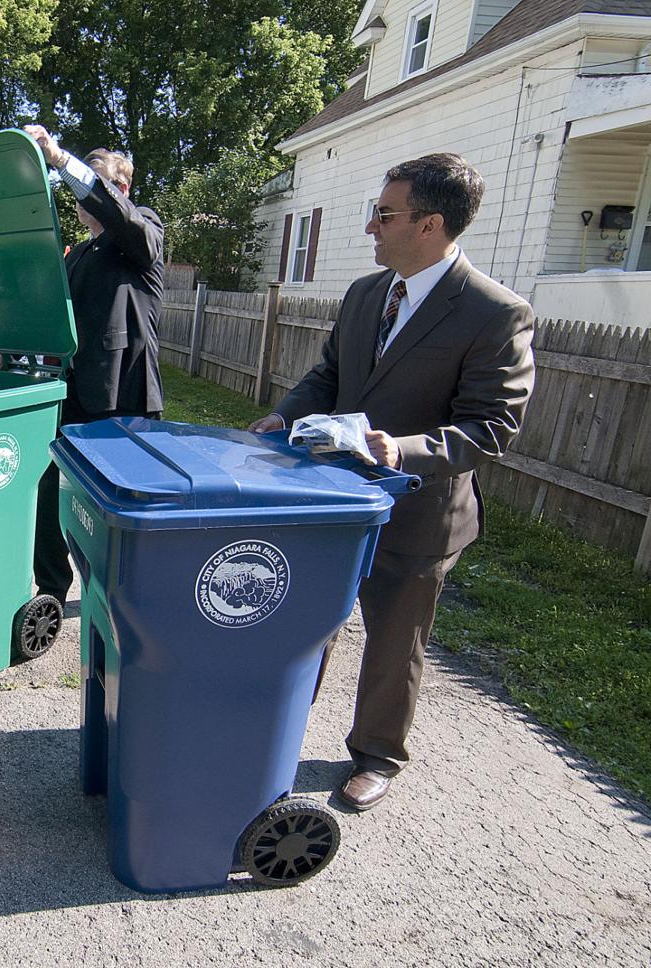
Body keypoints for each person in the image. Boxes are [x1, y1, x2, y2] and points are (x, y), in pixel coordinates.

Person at [249, 154, 535, 811]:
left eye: (385, 213)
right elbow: (329, 375)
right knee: (306, 622)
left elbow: (492, 427)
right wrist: (284, 413)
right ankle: (274, 729)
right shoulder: (364, 294)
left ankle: (377, 755)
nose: (371, 226)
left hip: (419, 514)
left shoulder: (495, 313)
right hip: (333, 504)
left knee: (393, 645)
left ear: (430, 224)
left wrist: (400, 450)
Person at [22, 123, 165, 606]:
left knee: (115, 500)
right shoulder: (79, 251)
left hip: (121, 396)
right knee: (46, 490)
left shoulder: (143, 231)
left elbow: (124, 220)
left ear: (119, 188)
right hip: (68, 391)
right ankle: (52, 589)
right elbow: (52, 311)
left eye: (94, 183)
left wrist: (62, 161)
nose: (80, 195)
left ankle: (120, 595)